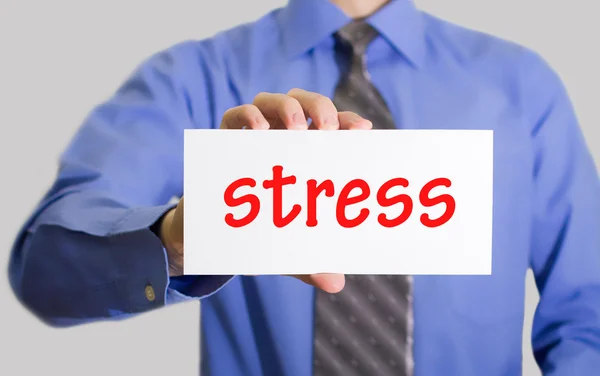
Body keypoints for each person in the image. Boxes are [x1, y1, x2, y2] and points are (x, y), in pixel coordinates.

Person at [8, 0, 600, 375]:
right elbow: (43, 272)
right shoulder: (190, 77)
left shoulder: (523, 85)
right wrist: (183, 237)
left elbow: (588, 311)